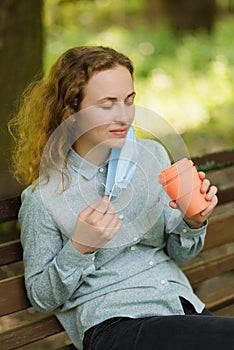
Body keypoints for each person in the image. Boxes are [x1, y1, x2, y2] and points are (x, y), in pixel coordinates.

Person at [9, 46, 234, 350]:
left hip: (179, 307)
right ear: (71, 112)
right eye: (107, 104)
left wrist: (192, 221)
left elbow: (180, 253)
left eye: (129, 101)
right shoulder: (45, 197)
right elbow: (41, 297)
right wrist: (79, 248)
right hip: (115, 324)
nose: (124, 115)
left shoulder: (151, 156)